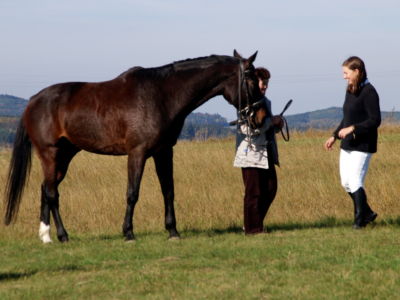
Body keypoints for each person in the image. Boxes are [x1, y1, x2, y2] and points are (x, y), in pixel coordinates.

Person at [324, 56, 381, 229]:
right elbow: (347, 118)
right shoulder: (350, 90)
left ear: (357, 71)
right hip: (347, 145)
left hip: (363, 145)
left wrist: (353, 128)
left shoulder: (370, 92)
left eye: (346, 73)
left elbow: (375, 120)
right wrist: (334, 135)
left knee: (355, 181)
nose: (344, 76)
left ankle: (359, 221)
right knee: (346, 183)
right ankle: (368, 213)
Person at [234, 67, 284, 234]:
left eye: (267, 83)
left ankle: (252, 224)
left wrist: (277, 125)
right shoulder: (245, 102)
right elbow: (246, 129)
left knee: (270, 188)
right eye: (263, 82)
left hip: (266, 152)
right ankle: (252, 228)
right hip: (251, 153)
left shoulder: (265, 102)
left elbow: (264, 127)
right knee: (253, 192)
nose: (265, 86)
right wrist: (271, 122)